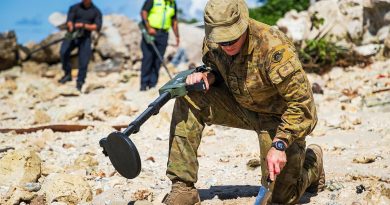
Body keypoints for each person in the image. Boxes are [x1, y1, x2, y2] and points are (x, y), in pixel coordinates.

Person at [163, 0, 325, 204]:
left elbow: (303, 105)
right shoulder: (214, 40)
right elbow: (217, 68)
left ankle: (312, 161)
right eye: (222, 41)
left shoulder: (274, 48)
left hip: (279, 119)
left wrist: (280, 143)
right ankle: (182, 186)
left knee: (281, 197)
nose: (227, 46)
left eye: (232, 39)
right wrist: (209, 77)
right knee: (189, 95)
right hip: (240, 107)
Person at [58, 0, 102, 91]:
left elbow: (97, 26)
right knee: (63, 51)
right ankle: (67, 74)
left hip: (85, 37)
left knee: (84, 60)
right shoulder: (74, 8)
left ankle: (80, 82)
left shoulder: (96, 11)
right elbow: (69, 21)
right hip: (72, 35)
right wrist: (72, 27)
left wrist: (83, 26)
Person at [140, 0, 180, 91]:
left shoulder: (173, 3)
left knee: (158, 59)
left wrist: (177, 36)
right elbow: (144, 12)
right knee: (148, 58)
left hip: (163, 34)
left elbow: (174, 21)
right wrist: (148, 27)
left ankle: (152, 85)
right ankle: (143, 85)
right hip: (150, 32)